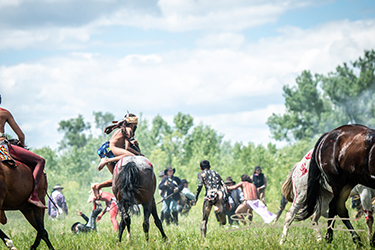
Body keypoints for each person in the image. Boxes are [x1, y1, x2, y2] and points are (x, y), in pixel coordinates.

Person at [0, 94, 46, 208]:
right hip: (1, 146)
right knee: (40, 160)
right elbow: (21, 135)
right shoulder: (4, 113)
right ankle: (34, 195)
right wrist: (22, 144)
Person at [92, 114, 142, 198]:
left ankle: (97, 186)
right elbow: (127, 147)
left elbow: (121, 142)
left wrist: (131, 142)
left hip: (106, 149)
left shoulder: (121, 130)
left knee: (118, 178)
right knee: (131, 156)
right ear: (134, 124)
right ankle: (106, 161)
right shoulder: (129, 129)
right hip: (112, 149)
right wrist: (139, 154)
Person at [195, 160, 227, 237]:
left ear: (200, 168)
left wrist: (196, 197)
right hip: (219, 194)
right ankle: (218, 212)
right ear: (210, 167)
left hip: (209, 194)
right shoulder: (216, 173)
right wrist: (226, 198)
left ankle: (203, 237)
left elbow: (200, 185)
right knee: (223, 222)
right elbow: (224, 185)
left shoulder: (201, 174)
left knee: (204, 219)